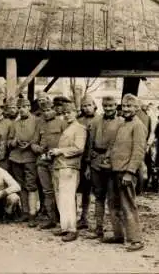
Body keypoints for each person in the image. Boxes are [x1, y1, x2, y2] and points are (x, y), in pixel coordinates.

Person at [102, 94, 145, 252]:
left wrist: (130, 172)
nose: (126, 109)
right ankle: (118, 235)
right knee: (113, 204)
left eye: (129, 106)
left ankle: (136, 240)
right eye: (124, 106)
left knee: (128, 205)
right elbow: (114, 145)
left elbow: (139, 151)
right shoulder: (122, 124)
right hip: (114, 170)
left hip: (126, 172)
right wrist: (107, 158)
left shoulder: (138, 125)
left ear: (136, 108)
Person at [85, 95, 124, 240]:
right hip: (96, 162)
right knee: (98, 196)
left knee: (113, 198)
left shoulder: (121, 123)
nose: (108, 109)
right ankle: (98, 228)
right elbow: (90, 144)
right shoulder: (96, 121)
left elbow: (120, 145)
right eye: (105, 106)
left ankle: (117, 232)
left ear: (115, 106)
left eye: (111, 106)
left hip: (112, 164)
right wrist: (89, 165)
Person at [48, 102, 87, 242]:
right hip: (60, 165)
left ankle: (72, 229)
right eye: (64, 113)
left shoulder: (80, 128)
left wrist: (59, 151)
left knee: (68, 198)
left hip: (70, 166)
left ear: (76, 112)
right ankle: (65, 226)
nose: (67, 115)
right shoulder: (66, 127)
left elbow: (79, 148)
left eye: (69, 112)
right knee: (60, 197)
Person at [32, 101, 68, 229]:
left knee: (60, 190)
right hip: (42, 161)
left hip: (57, 160)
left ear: (54, 109)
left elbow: (67, 142)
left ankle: (64, 219)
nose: (46, 113)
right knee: (47, 191)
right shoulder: (40, 124)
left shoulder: (62, 123)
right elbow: (34, 142)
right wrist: (38, 149)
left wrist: (55, 152)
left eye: (49, 110)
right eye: (44, 111)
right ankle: (51, 218)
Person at [7, 97, 40, 226]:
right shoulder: (14, 123)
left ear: (29, 108)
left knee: (31, 185)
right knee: (20, 185)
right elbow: (9, 141)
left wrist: (30, 144)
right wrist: (14, 142)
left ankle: (32, 213)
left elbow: (40, 138)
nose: (21, 110)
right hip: (16, 157)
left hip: (30, 157)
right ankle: (25, 212)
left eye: (24, 107)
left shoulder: (37, 121)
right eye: (19, 107)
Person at [76, 95, 98, 230]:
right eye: (84, 106)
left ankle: (97, 219)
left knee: (96, 191)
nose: (86, 108)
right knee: (83, 190)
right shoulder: (79, 121)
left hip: (94, 160)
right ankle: (83, 217)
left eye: (89, 105)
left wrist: (90, 163)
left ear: (94, 105)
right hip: (79, 159)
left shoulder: (100, 120)